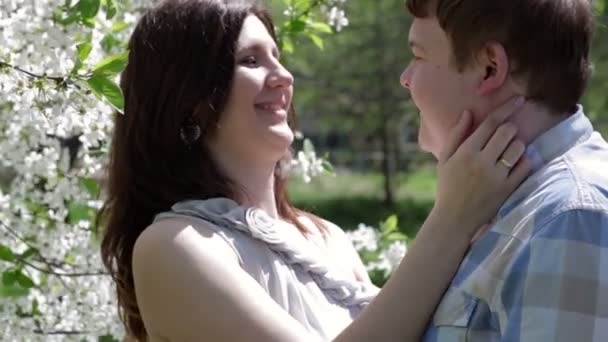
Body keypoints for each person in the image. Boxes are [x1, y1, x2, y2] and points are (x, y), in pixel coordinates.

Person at [99, 0, 529, 341]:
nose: (283, 75)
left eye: (277, 56)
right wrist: (451, 218)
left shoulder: (326, 238)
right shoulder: (175, 245)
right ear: (188, 98)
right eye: (250, 60)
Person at [400, 0, 608, 340]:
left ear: (490, 68)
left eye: (418, 56)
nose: (405, 78)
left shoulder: (571, 218)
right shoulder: (507, 207)